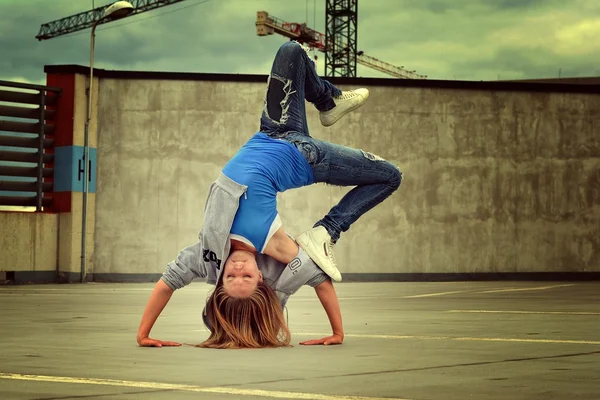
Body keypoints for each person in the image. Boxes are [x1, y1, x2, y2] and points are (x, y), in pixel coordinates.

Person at [136, 40, 402, 349]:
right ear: (261, 279)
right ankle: (328, 231)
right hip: (306, 158)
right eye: (246, 279)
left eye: (230, 279)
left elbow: (166, 284)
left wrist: (143, 334)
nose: (237, 271)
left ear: (219, 281)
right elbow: (321, 282)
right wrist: (338, 333)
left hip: (271, 130)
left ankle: (328, 101)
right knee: (389, 176)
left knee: (292, 51)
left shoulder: (206, 257)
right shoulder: (277, 252)